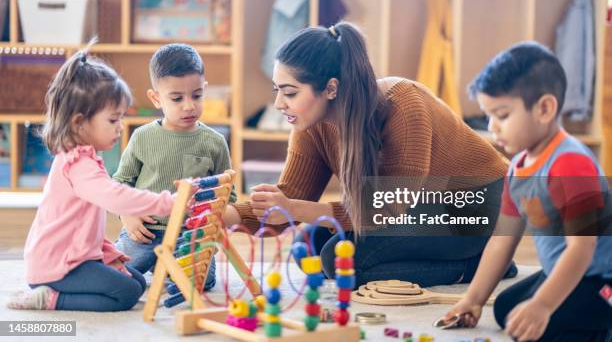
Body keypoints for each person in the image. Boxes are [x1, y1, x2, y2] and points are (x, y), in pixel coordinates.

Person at [225, 21, 516, 287]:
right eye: (277, 90)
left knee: (341, 263)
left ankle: (479, 265)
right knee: (309, 248)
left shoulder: (402, 106)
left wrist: (297, 209)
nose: (278, 103)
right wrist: (225, 216)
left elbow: (387, 207)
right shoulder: (311, 123)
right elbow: (290, 196)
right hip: (419, 205)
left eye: (290, 93)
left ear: (330, 88)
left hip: (478, 205)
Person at [443, 42, 612, 341]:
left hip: (600, 280)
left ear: (544, 109)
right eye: (489, 115)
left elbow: (581, 250)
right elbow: (501, 241)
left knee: (541, 324)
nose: (493, 127)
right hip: (565, 271)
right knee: (508, 311)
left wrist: (543, 305)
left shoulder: (570, 164)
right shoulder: (519, 166)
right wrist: (473, 299)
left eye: (503, 115)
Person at [7, 41, 175, 312]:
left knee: (135, 281)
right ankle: (50, 298)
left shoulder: (83, 157)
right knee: (128, 293)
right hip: (57, 267)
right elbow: (116, 198)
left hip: (73, 258)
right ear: (79, 122)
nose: (120, 127)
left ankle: (57, 291)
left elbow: (84, 227)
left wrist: (108, 255)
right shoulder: (78, 165)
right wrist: (169, 202)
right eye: (113, 120)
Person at [114, 43, 237, 291]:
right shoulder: (142, 137)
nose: (189, 105)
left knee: (197, 283)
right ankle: (157, 264)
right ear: (156, 98)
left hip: (189, 236)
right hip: (145, 232)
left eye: (197, 95)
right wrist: (128, 215)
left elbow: (229, 196)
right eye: (177, 98)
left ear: (205, 90)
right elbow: (119, 183)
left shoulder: (215, 142)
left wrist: (209, 223)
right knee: (114, 275)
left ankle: (166, 268)